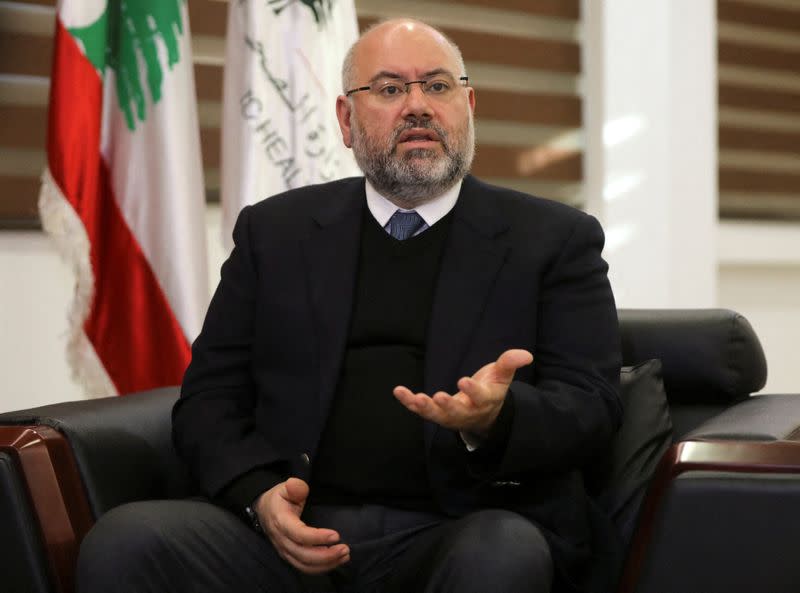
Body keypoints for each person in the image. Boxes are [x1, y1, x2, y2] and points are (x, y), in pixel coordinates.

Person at [77, 17, 622, 593]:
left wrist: (496, 419)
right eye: (389, 89)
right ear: (345, 119)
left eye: (437, 87)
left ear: (468, 104)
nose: (417, 107)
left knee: (503, 555)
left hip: (461, 525)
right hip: (290, 531)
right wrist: (259, 498)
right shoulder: (275, 233)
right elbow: (209, 398)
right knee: (127, 540)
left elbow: (593, 407)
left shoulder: (554, 239)